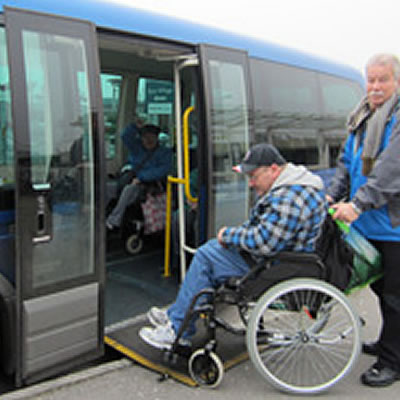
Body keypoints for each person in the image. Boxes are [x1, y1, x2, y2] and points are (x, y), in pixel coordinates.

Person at [139, 143, 327, 350]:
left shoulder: (288, 199)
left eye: (253, 176)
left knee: (205, 257)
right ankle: (178, 313)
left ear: (273, 169)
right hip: (282, 259)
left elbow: (263, 243)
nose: (251, 184)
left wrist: (229, 234)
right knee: (212, 250)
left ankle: (177, 331)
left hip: (273, 266)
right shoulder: (301, 186)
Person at [326, 53, 400, 387]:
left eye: (382, 79)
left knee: (395, 297)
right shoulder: (362, 118)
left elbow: (390, 170)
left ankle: (392, 362)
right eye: (370, 79)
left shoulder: (397, 119)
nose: (374, 86)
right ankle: (390, 344)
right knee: (380, 288)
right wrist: (333, 194)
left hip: (394, 227)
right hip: (369, 226)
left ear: (396, 82)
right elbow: (346, 162)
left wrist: (357, 204)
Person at [106, 123, 172, 230]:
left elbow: (162, 171)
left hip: (150, 184)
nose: (149, 140)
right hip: (130, 177)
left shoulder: (164, 153)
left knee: (129, 190)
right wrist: (135, 126)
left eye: (152, 137)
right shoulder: (137, 148)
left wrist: (141, 178)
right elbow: (125, 136)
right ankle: (101, 215)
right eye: (145, 137)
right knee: (108, 188)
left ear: (157, 138)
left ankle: (113, 220)